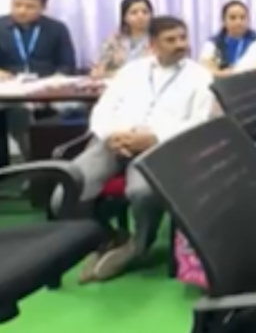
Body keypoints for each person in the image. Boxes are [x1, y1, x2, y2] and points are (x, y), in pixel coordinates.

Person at [56, 15, 215, 282]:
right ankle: (110, 238)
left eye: (183, 38)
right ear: (152, 45)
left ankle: (139, 246)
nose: (180, 44)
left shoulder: (200, 77)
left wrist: (155, 138)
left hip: (162, 147)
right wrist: (111, 135)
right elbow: (104, 108)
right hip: (114, 142)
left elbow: (199, 122)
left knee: (142, 192)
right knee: (65, 192)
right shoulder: (132, 71)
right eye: (171, 40)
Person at [0, 0, 78, 160]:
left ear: (43, 8)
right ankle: (30, 159)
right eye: (17, 5)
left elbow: (67, 64)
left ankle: (46, 158)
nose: (22, 11)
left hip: (47, 88)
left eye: (30, 7)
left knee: (72, 109)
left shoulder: (57, 29)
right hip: (11, 90)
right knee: (19, 111)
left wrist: (57, 80)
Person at [91, 0, 154, 79]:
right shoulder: (114, 40)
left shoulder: (158, 40)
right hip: (116, 83)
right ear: (125, 17)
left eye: (145, 12)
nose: (140, 16)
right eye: (134, 13)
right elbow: (98, 70)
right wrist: (100, 72)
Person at [198, 0, 256, 76]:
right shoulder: (213, 43)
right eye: (233, 18)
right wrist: (220, 73)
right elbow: (203, 67)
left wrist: (226, 73)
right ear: (224, 21)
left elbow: (251, 68)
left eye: (243, 18)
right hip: (219, 81)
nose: (238, 22)